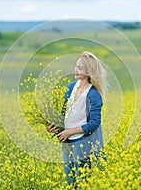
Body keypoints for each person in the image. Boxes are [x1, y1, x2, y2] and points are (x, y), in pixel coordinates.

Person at [46, 51, 107, 186]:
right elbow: (64, 114)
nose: (75, 70)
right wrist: (53, 127)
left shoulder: (93, 94)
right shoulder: (70, 87)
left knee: (82, 180)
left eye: (80, 68)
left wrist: (70, 131)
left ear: (89, 71)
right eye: (76, 66)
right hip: (68, 141)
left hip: (83, 142)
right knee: (70, 179)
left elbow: (94, 123)